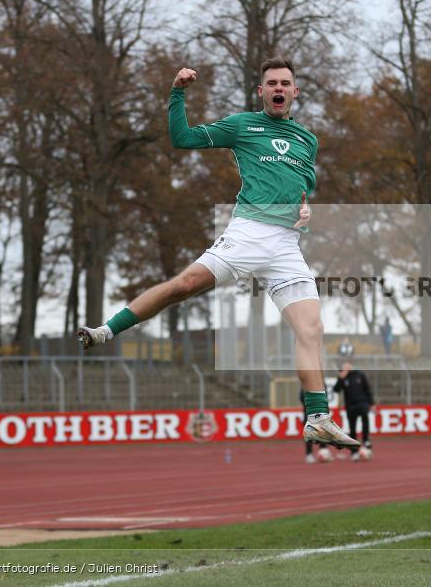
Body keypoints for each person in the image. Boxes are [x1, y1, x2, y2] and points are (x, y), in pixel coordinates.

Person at [76, 58, 358, 451]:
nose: (279, 87)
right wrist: (177, 93)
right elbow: (183, 139)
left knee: (311, 329)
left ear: (295, 92)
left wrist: (305, 210)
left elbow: (300, 190)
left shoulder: (307, 139)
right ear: (262, 92)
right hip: (248, 233)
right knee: (184, 285)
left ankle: (317, 418)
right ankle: (105, 331)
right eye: (272, 83)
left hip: (285, 247)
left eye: (286, 83)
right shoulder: (243, 125)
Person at [333, 361, 375, 460]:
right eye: (344, 367)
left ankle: (366, 440)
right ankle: (354, 452)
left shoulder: (360, 375)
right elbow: (336, 390)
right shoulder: (343, 378)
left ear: (351, 366)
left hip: (362, 403)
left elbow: (367, 390)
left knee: (365, 418)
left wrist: (372, 404)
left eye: (347, 366)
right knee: (352, 429)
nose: (346, 368)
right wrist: (340, 379)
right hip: (350, 406)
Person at [299, 388, 330, 463]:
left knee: (323, 432)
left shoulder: (321, 384)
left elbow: (325, 398)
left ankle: (323, 451)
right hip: (309, 413)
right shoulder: (306, 385)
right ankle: (309, 454)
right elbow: (301, 398)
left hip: (321, 413)